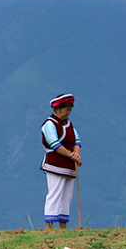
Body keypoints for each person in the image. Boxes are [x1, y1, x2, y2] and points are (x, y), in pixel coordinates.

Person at [40, 94, 81, 230]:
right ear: (57, 109)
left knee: (66, 196)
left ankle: (63, 226)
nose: (68, 113)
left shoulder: (69, 124)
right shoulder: (49, 124)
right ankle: (49, 226)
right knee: (55, 193)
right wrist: (71, 155)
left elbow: (76, 140)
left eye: (70, 110)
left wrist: (76, 154)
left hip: (69, 165)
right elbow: (55, 144)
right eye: (66, 109)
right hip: (55, 164)